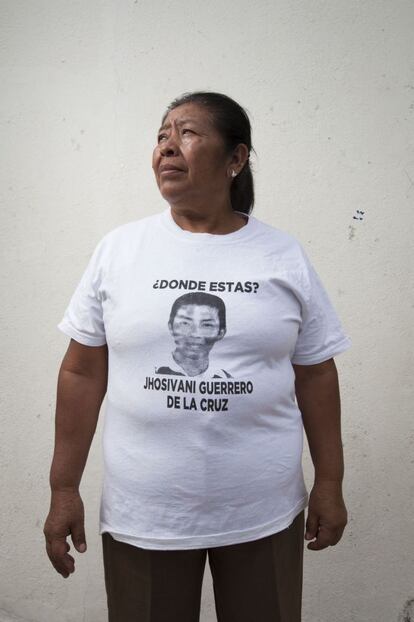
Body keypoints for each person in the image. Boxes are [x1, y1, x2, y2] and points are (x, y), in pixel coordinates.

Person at [43, 91, 351, 622]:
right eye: (161, 135)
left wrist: (329, 482)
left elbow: (317, 374)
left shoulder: (283, 255)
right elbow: (81, 370)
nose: (166, 146)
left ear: (236, 159)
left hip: (262, 510)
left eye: (186, 133)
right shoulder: (120, 250)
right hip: (147, 511)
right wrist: (63, 487)